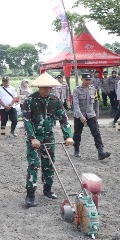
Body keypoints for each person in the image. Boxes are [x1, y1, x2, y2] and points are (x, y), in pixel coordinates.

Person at [22, 73, 73, 207]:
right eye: (44, 87)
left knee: (49, 164)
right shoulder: (29, 101)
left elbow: (63, 119)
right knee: (34, 165)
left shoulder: (55, 100)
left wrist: (68, 135)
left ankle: (48, 190)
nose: (47, 90)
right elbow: (27, 121)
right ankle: (30, 194)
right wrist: (33, 138)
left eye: (49, 87)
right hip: (34, 138)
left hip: (49, 137)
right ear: (39, 87)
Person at [72, 75, 111, 160]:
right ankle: (76, 150)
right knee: (77, 134)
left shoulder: (93, 89)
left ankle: (101, 152)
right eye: (86, 79)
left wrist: (96, 115)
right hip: (79, 115)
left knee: (96, 132)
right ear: (82, 79)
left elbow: (95, 102)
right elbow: (75, 104)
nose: (88, 81)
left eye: (90, 79)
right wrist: (81, 116)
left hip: (91, 114)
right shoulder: (76, 90)